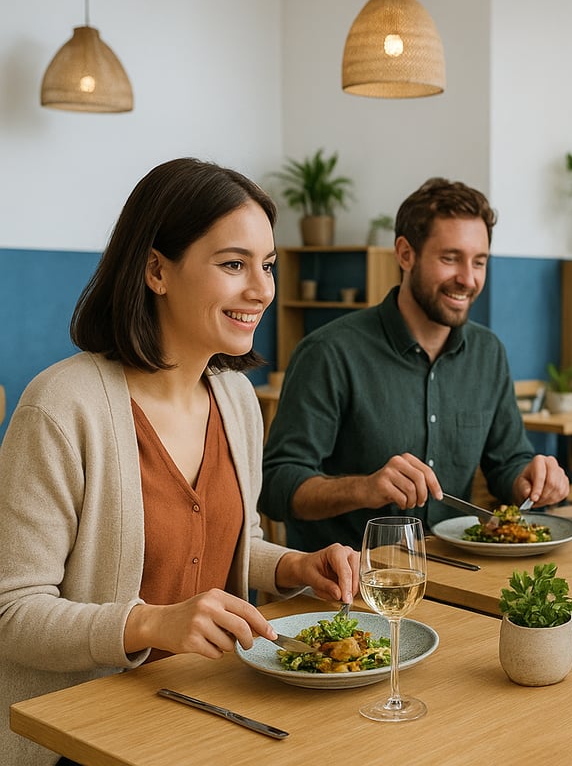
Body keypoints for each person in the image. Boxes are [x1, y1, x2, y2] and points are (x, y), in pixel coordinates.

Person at [0, 158, 359, 766]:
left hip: (212, 710)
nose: (263, 289)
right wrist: (149, 625)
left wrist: (295, 565)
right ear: (156, 270)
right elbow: (12, 612)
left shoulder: (239, 400)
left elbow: (230, 541)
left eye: (267, 265)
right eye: (233, 264)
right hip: (81, 739)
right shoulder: (62, 406)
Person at [259, 178, 570, 552]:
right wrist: (365, 488)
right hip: (344, 588)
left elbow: (507, 463)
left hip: (453, 572)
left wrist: (530, 479)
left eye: (479, 262)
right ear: (405, 254)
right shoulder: (330, 352)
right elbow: (276, 487)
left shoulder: (488, 353)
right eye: (450, 258)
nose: (468, 279)